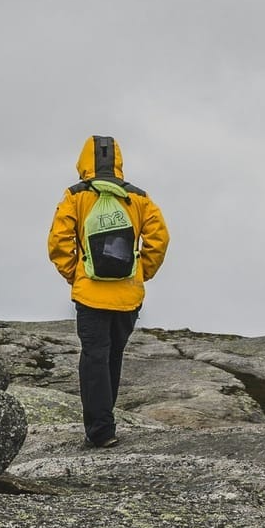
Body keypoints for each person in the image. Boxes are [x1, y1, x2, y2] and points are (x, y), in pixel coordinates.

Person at [46, 135, 169, 448]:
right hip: (128, 297)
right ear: (118, 161)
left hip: (91, 295)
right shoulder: (139, 199)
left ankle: (100, 431)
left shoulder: (75, 196)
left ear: (84, 161)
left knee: (94, 359)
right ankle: (105, 423)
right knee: (113, 356)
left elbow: (59, 242)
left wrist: (75, 274)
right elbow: (159, 240)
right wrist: (142, 272)